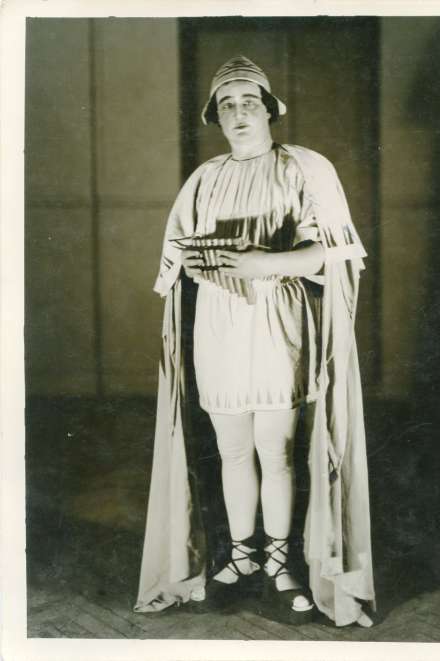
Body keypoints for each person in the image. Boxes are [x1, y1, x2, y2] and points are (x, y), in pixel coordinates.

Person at [134, 56, 375, 628]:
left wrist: (262, 263)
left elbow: (332, 253)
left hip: (276, 319)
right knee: (233, 449)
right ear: (216, 118)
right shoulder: (204, 179)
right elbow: (177, 257)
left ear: (269, 110)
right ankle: (242, 556)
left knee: (275, 447)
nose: (239, 112)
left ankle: (280, 562)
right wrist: (201, 264)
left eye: (249, 102)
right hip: (218, 321)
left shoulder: (303, 167)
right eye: (227, 105)